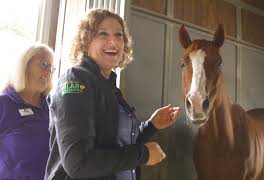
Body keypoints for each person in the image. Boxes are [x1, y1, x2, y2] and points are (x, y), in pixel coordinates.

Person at [45, 9, 180, 180]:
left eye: (119, 35)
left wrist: (151, 126)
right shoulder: (75, 80)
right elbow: (78, 163)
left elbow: (113, 142)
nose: (113, 42)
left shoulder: (109, 85)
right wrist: (143, 154)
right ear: (85, 42)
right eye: (103, 34)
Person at [0, 43, 56, 179]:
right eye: (43, 64)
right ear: (23, 66)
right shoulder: (4, 104)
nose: (48, 72)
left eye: (51, 68)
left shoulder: (52, 107)